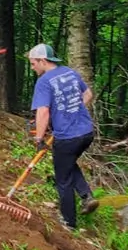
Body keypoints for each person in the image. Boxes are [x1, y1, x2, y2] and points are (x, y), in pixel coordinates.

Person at [27, 43, 99, 231]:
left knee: (63, 178)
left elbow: (43, 112)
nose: (32, 67)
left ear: (43, 61)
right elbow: (88, 94)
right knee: (67, 163)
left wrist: (39, 139)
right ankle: (87, 196)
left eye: (33, 63)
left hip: (68, 137)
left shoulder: (43, 82)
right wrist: (72, 110)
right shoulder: (70, 72)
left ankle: (69, 222)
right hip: (86, 133)